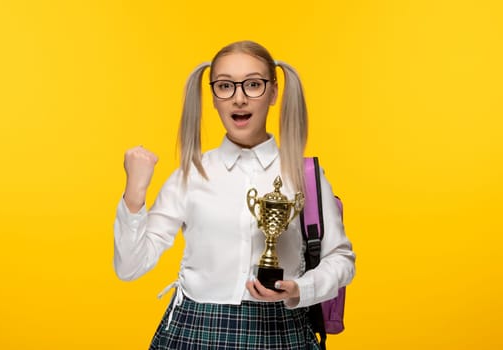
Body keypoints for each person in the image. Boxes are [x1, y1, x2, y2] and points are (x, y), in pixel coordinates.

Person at [113, 40, 356, 349]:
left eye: (253, 84)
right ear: (213, 97)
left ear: (273, 92)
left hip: (281, 332)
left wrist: (299, 288)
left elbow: (342, 259)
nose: (239, 99)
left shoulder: (304, 175)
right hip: (195, 330)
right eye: (225, 86)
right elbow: (130, 268)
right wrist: (134, 195)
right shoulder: (190, 175)